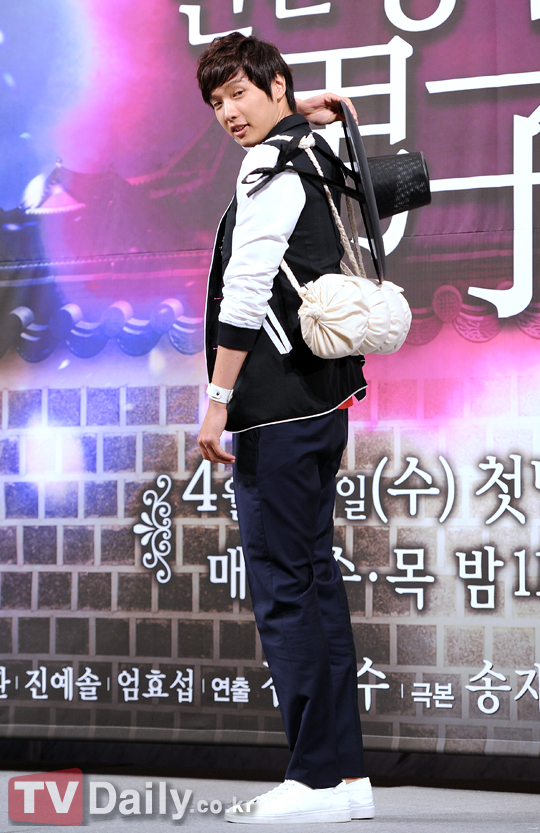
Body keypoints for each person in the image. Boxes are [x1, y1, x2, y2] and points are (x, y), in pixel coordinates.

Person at [196, 32, 374, 824]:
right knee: (312, 582)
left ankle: (313, 779)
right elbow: (320, 122)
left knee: (284, 589)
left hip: (275, 408)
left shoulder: (271, 166)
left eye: (240, 92)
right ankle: (345, 776)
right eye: (216, 102)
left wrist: (217, 399)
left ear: (274, 85)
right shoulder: (316, 151)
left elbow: (245, 288)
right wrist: (299, 106)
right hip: (323, 402)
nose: (228, 113)